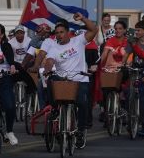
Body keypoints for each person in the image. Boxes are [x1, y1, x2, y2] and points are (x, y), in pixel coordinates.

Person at [36, 14, 99, 145]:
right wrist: (47, 70)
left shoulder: (79, 40)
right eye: (57, 33)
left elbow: (94, 29)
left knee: (82, 103)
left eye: (62, 32)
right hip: (62, 79)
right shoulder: (54, 48)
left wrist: (82, 19)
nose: (59, 35)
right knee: (50, 80)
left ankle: (80, 132)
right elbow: (49, 61)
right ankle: (54, 109)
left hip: (80, 79)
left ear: (68, 32)